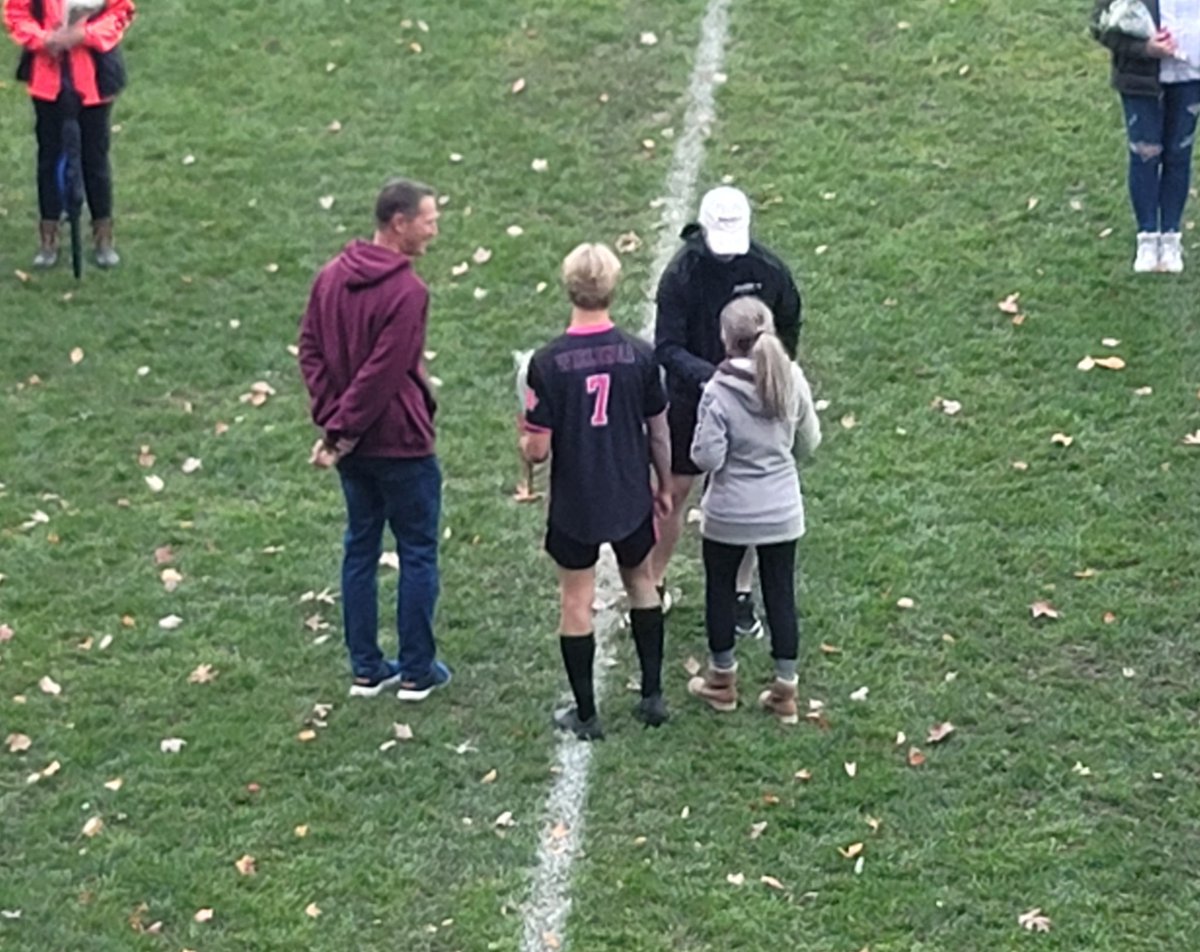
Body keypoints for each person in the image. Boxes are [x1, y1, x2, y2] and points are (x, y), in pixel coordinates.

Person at [298, 178, 451, 702]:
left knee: (360, 548)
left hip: (354, 452)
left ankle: (366, 667)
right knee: (417, 552)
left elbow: (310, 351)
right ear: (399, 223)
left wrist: (333, 424)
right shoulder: (408, 293)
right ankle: (415, 670)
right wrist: (342, 427)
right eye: (428, 220)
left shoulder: (329, 278)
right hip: (401, 444)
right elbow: (382, 375)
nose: (434, 228)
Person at [520, 242, 673, 740]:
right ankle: (652, 695)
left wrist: (525, 434)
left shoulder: (547, 362)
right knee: (642, 582)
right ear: (612, 287)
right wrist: (665, 485)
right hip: (629, 491)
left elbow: (538, 450)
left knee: (576, 601)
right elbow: (659, 430)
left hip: (577, 500)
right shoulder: (639, 354)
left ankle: (586, 714)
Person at [652, 185, 802, 637]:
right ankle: (653, 583)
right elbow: (668, 346)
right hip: (690, 396)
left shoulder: (769, 270)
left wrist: (769, 372)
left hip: (749, 400)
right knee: (674, 491)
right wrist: (711, 377)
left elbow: (790, 323)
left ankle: (740, 591)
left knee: (748, 488)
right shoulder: (680, 276)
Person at [686, 297, 821, 724]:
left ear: (726, 339)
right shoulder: (791, 377)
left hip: (729, 512)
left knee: (720, 590)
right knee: (780, 593)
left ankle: (722, 682)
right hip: (782, 509)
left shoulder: (718, 390)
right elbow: (809, 442)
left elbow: (707, 458)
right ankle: (785, 690)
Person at [4, 0, 135, 268]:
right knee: (49, 159)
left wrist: (84, 35)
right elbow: (16, 12)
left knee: (95, 160)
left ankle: (103, 235)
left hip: (94, 80)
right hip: (48, 78)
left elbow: (120, 11)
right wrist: (44, 39)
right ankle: (49, 237)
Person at [1092, 0, 1200, 273]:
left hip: (1191, 77)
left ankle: (1171, 237)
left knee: (1179, 153)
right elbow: (1101, 25)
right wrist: (1145, 49)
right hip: (1140, 80)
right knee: (1144, 154)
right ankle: (1148, 237)